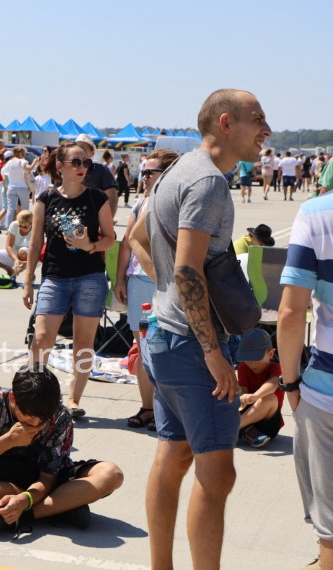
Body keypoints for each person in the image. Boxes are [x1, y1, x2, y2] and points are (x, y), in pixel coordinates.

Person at [130, 89, 271, 570]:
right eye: (258, 119)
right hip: (193, 347)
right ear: (227, 123)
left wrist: (167, 290)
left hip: (163, 335)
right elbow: (189, 270)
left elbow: (138, 237)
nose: (267, 130)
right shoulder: (208, 182)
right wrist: (213, 352)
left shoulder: (178, 170)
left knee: (172, 458)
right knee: (217, 475)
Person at [0, 365, 124, 536]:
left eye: (44, 419)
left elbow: (48, 478)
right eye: (30, 417)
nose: (37, 424)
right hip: (0, 478)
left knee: (112, 474)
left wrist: (26, 500)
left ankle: (23, 514)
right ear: (13, 399)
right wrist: (8, 440)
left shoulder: (60, 416)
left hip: (47, 480)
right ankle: (62, 506)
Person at [22, 141, 115, 418]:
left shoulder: (97, 197)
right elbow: (35, 242)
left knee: (83, 343)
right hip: (55, 276)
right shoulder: (46, 198)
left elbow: (110, 239)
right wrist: (27, 281)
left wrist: (89, 245)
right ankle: (35, 397)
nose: (82, 167)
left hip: (90, 277)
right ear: (60, 166)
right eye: (76, 162)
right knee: (41, 339)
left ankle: (73, 400)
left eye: (86, 163)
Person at [278, 191, 333, 570]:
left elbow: (291, 312)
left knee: (330, 528)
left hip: (325, 392)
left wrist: (290, 383)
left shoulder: (316, 214)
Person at [114, 149, 179, 430]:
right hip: (139, 281)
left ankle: (169, 410)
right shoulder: (140, 204)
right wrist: (120, 280)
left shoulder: (178, 203)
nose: (144, 177)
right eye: (143, 172)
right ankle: (147, 407)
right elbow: (127, 243)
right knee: (143, 349)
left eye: (149, 172)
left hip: (168, 283)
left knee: (169, 349)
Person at [234, 328, 283, 448]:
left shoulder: (276, 368)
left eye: (255, 357)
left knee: (269, 398)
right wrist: (240, 398)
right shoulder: (243, 368)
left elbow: (273, 384)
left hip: (268, 423)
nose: (250, 362)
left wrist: (256, 396)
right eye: (246, 357)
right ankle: (245, 431)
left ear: (270, 354)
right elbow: (243, 392)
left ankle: (232, 428)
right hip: (247, 416)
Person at [76, 134, 118, 217]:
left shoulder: (101, 170)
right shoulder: (68, 168)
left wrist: (108, 220)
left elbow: (112, 195)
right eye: (77, 148)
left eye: (83, 149)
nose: (79, 152)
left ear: (92, 153)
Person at [0, 209, 31, 277]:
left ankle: (29, 273)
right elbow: (8, 246)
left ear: (31, 224)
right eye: (20, 226)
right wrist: (16, 259)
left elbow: (38, 249)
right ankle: (10, 270)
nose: (22, 228)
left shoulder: (36, 228)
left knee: (22, 251)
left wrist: (29, 263)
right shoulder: (14, 225)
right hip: (15, 253)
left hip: (30, 255)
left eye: (25, 227)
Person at [2, 146, 33, 230]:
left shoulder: (10, 162)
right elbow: (29, 169)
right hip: (22, 187)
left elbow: (3, 171)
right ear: (20, 153)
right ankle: (26, 226)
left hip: (11, 187)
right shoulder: (23, 161)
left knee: (10, 208)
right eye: (24, 153)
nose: (24, 155)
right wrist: (35, 163)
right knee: (25, 209)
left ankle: (8, 227)